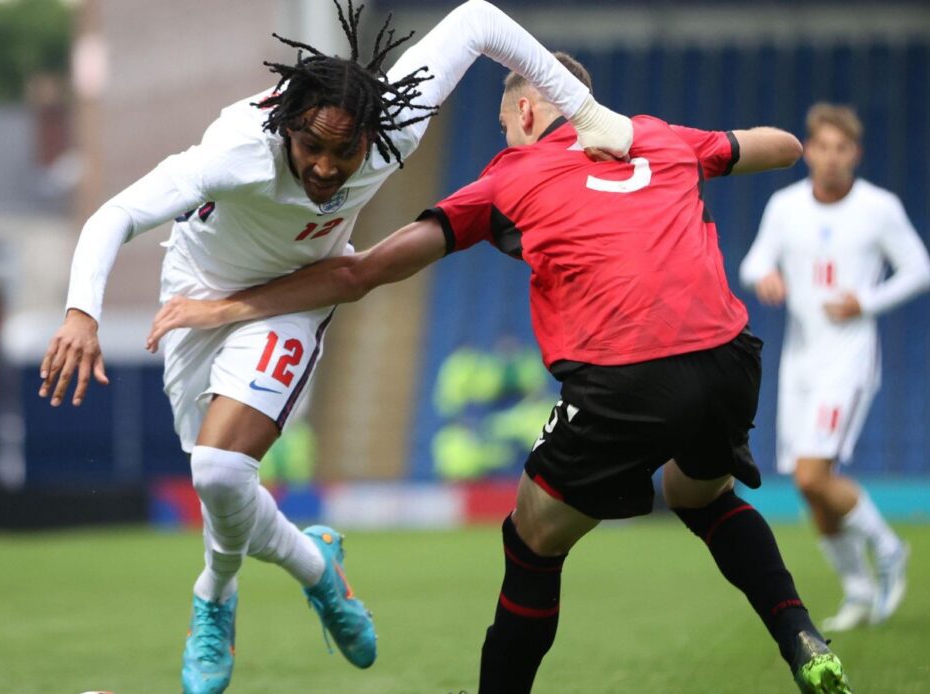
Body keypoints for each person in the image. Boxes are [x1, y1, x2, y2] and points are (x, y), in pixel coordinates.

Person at [146, 53, 854, 694]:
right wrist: (685, 150)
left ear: (525, 109)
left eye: (506, 123)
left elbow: (361, 273)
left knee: (532, 540)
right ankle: (803, 641)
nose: (507, 136)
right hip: (730, 357)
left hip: (628, 377)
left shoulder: (510, 176)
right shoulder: (656, 135)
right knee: (701, 496)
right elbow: (785, 147)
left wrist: (229, 306)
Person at [37, 2, 633, 692]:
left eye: (343, 152)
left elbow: (476, 19)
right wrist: (82, 312)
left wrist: (585, 114)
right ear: (286, 127)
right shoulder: (235, 151)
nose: (326, 167)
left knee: (219, 474)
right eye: (311, 148)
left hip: (295, 294)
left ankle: (213, 601)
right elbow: (115, 214)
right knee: (221, 479)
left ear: (370, 136)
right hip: (195, 292)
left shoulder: (392, 127)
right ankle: (317, 564)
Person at [739, 102, 930, 632]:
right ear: (809, 150)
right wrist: (767, 277)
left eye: (840, 148)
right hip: (801, 358)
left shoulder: (879, 208)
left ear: (856, 153)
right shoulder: (785, 206)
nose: (829, 158)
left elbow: (920, 270)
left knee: (812, 473)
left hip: (848, 357)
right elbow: (754, 260)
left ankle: (889, 548)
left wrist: (865, 301)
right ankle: (859, 589)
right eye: (821, 147)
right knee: (808, 485)